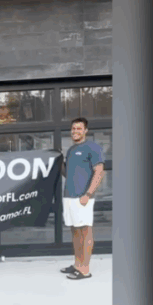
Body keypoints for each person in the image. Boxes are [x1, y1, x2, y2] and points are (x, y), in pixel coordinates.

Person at [60, 117, 105, 280]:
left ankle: (85, 270)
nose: (75, 131)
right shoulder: (71, 150)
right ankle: (77, 264)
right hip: (69, 197)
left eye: (79, 129)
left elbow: (99, 171)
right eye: (73, 129)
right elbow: (68, 173)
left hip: (83, 197)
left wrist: (88, 194)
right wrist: (60, 163)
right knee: (75, 231)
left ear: (85, 130)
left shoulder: (92, 148)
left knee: (85, 232)